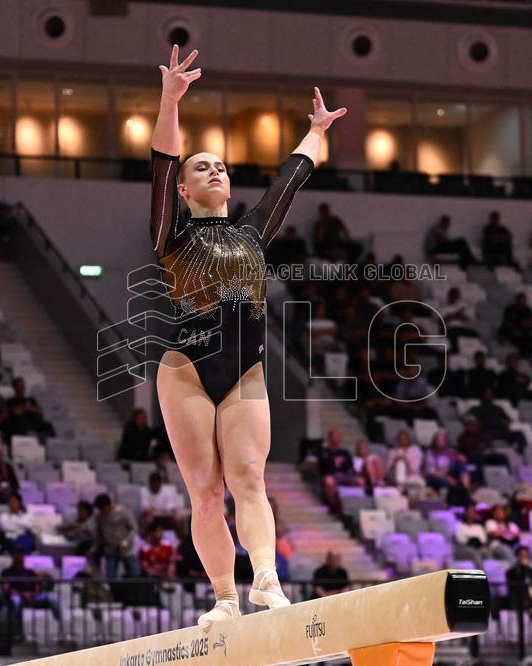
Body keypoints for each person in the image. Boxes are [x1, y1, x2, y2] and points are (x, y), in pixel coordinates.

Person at [150, 45, 346, 631]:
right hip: (185, 369)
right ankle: (223, 597)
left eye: (222, 166)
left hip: (245, 371)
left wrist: (315, 131)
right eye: (201, 167)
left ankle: (265, 578)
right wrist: (170, 100)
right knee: (207, 493)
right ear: (184, 191)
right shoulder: (171, 233)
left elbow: (292, 175)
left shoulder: (253, 233)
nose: (215, 171)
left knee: (250, 477)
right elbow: (161, 161)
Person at [92, 492, 139, 579]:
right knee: (110, 577)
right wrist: (94, 548)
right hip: (110, 550)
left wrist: (125, 542)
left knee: (135, 574)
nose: (100, 511)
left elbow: (134, 529)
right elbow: (99, 535)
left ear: (107, 506)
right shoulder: (99, 518)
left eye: (101, 509)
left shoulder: (124, 512)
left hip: (126, 549)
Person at [318, 429, 361, 514]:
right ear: (329, 439)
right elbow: (322, 466)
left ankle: (359, 505)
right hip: (331, 475)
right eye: (334, 437)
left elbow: (350, 465)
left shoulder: (345, 452)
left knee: (361, 481)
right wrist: (334, 462)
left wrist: (355, 476)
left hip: (344, 475)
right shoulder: (323, 452)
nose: (337, 439)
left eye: (338, 437)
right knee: (329, 481)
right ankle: (333, 506)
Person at [1, 376, 55, 441]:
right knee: (21, 424)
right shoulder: (11, 401)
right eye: (19, 385)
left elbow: (39, 411)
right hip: (18, 423)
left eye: (23, 384)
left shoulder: (30, 399)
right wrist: (27, 408)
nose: (22, 387)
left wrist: (27, 408)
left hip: (32, 422)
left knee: (48, 426)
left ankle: (52, 446)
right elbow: (16, 412)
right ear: (15, 387)